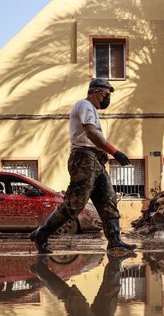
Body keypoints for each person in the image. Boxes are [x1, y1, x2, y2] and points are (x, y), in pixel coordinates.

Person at [29, 78, 136, 254]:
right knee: (74, 203)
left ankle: (115, 240)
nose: (108, 99)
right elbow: (92, 133)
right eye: (107, 94)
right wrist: (115, 152)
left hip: (95, 160)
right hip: (84, 158)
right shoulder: (85, 106)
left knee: (108, 200)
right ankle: (42, 234)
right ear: (97, 92)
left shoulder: (90, 109)